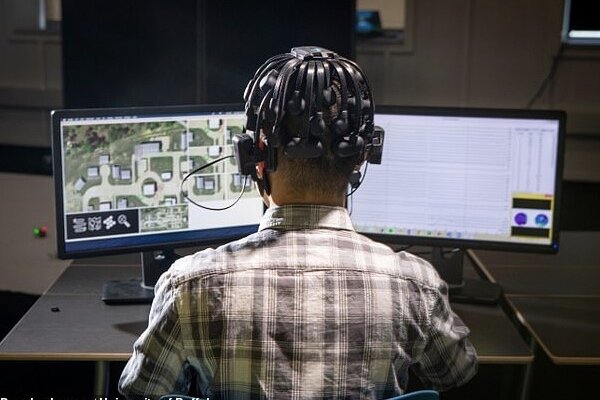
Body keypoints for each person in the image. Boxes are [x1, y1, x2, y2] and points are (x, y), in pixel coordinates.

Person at [119, 46, 478, 399]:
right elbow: (455, 372)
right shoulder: (417, 285)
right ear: (360, 160)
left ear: (255, 161)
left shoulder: (189, 285)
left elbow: (142, 388)